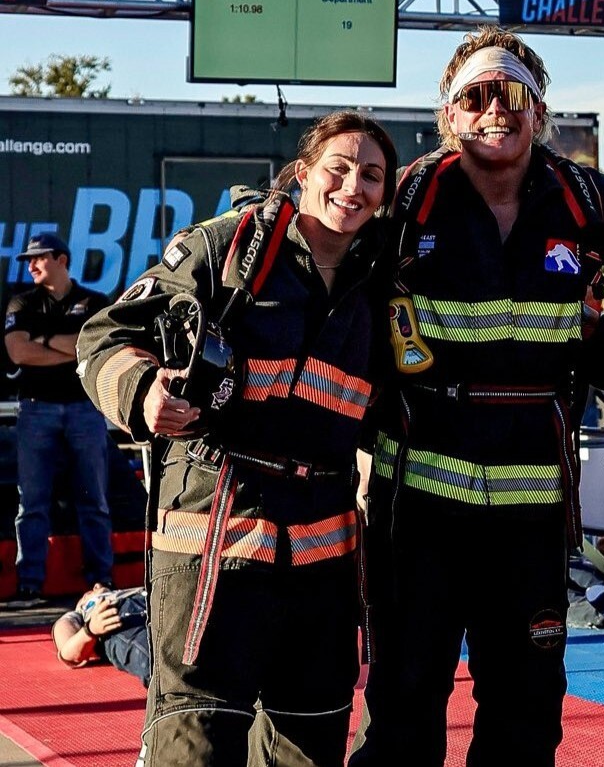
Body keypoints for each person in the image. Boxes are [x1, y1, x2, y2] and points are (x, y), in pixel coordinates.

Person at [78, 111, 398, 766]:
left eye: (371, 175)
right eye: (338, 167)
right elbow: (104, 336)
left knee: (308, 750)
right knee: (192, 750)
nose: (353, 186)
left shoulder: (386, 285)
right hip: (211, 554)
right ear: (304, 173)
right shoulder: (227, 248)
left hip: (322, 572)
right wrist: (143, 392)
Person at [4, 233, 113, 609]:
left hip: (85, 410)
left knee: (93, 500)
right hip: (35, 410)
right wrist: (68, 347)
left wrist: (44, 340)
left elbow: (93, 347)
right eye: (28, 259)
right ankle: (29, 587)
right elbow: (18, 352)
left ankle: (102, 583)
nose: (31, 265)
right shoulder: (21, 301)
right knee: (31, 502)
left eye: (39, 257)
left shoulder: (94, 302)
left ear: (62, 259)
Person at [52, 583, 151, 684]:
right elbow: (68, 654)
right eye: (89, 592)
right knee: (155, 659)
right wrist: (90, 630)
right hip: (115, 618)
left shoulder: (131, 591)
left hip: (151, 600)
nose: (96, 586)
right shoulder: (80, 613)